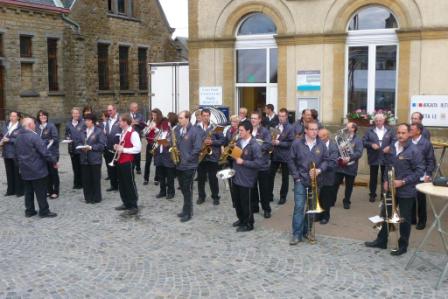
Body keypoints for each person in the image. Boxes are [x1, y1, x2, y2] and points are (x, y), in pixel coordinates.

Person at [365, 123, 425, 256]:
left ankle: (402, 245)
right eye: (398, 132)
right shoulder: (392, 147)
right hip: (391, 188)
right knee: (385, 214)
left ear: (409, 134)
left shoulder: (414, 151)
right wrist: (386, 180)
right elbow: (387, 165)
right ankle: (381, 240)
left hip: (406, 190)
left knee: (404, 218)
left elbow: (419, 171)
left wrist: (403, 181)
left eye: (403, 133)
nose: (400, 135)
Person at [288, 121, 329, 245]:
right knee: (299, 207)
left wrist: (319, 170)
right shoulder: (297, 143)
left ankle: (307, 231)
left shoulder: (321, 145)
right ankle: (296, 234)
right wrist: (297, 177)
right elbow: (290, 161)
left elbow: (327, 160)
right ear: (306, 130)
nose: (314, 132)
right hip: (301, 180)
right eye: (312, 129)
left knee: (311, 208)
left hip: (316, 181)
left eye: (316, 129)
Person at [15, 117, 57, 218]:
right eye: (34, 123)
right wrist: (54, 161)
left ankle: (29, 211)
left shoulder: (18, 137)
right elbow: (44, 152)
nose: (36, 125)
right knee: (41, 191)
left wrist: (20, 165)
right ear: (30, 125)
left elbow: (16, 155)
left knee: (28, 191)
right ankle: (44, 211)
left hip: (25, 169)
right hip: (37, 169)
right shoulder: (34, 137)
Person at [231, 121, 263, 232]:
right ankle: (241, 219)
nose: (239, 132)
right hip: (236, 176)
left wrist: (243, 162)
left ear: (248, 131)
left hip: (247, 179)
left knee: (246, 203)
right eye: (239, 130)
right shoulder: (239, 141)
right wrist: (231, 152)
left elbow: (259, 163)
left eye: (241, 130)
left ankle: (249, 223)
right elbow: (235, 158)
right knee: (237, 201)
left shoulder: (254, 145)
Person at [174, 111, 202, 222]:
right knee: (183, 188)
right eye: (179, 118)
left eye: (181, 118)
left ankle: (188, 212)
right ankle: (185, 209)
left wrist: (188, 158)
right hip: (179, 164)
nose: (179, 120)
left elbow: (197, 148)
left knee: (188, 188)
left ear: (187, 119)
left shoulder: (194, 131)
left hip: (189, 165)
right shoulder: (178, 130)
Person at [363, 113, 395, 202]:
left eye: (380, 120)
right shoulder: (369, 130)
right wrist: (371, 144)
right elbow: (364, 141)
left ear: (383, 121)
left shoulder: (390, 130)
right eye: (376, 121)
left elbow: (395, 141)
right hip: (374, 156)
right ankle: (372, 194)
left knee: (384, 177)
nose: (378, 122)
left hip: (386, 156)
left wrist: (390, 147)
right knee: (373, 176)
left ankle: (383, 194)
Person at [113, 113, 142, 216]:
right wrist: (117, 146)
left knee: (129, 183)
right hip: (120, 160)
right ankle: (126, 203)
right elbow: (122, 146)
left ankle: (133, 206)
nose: (119, 122)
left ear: (125, 122)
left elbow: (138, 148)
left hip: (128, 162)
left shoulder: (133, 133)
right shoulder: (122, 132)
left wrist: (123, 149)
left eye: (120, 121)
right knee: (122, 184)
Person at [196, 108, 224, 205]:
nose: (206, 117)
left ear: (210, 116)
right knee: (201, 178)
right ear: (201, 116)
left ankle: (215, 197)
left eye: (207, 115)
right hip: (201, 156)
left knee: (213, 178)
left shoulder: (216, 127)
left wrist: (212, 142)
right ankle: (201, 196)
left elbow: (222, 140)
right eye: (204, 116)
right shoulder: (196, 127)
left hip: (212, 157)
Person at [410, 123, 435, 230]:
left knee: (421, 199)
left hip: (421, 175)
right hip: (410, 174)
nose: (410, 131)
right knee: (410, 197)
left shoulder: (426, 143)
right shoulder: (408, 141)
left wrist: (428, 174)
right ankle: (412, 219)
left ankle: (422, 221)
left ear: (418, 131)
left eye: (412, 129)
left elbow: (431, 160)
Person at [77, 113, 106, 204]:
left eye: (88, 120)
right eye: (85, 120)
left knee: (95, 179)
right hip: (84, 159)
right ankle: (88, 197)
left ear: (93, 121)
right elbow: (78, 142)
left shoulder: (99, 131)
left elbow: (102, 146)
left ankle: (96, 197)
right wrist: (81, 147)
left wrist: (91, 147)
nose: (86, 122)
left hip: (95, 159)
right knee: (86, 179)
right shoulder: (83, 131)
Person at [333, 122, 363, 209]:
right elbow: (335, 149)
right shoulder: (341, 138)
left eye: (347, 127)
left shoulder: (358, 140)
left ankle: (346, 201)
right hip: (340, 166)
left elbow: (359, 153)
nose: (345, 128)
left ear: (353, 129)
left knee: (349, 186)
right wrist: (340, 154)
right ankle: (332, 200)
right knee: (335, 184)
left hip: (351, 166)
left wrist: (349, 158)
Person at [250, 111, 273, 218]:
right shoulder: (248, 131)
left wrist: (256, 149)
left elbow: (268, 144)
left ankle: (266, 209)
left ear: (259, 120)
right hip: (251, 165)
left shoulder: (264, 131)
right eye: (252, 118)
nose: (253, 120)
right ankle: (255, 206)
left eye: (255, 118)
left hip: (263, 164)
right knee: (253, 187)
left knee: (264, 188)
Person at [270, 108, 294, 205]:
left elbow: (291, 143)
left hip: (285, 156)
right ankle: (269, 195)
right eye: (279, 116)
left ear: (286, 116)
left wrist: (279, 143)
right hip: (275, 155)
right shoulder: (276, 125)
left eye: (283, 116)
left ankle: (283, 197)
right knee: (270, 176)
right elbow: (273, 137)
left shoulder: (290, 128)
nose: (281, 118)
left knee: (285, 178)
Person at [36, 110, 60, 199]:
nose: (42, 117)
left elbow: (55, 139)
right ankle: (49, 190)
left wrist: (43, 143)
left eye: (44, 115)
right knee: (46, 173)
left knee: (53, 173)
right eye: (40, 115)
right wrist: (45, 141)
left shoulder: (51, 126)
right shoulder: (38, 127)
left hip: (52, 153)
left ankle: (55, 191)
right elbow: (36, 139)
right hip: (42, 154)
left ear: (47, 116)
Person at [317, 128, 338, 224]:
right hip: (318, 175)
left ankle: (326, 216)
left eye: (321, 137)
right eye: (318, 136)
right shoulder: (317, 144)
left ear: (326, 136)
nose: (319, 138)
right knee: (319, 197)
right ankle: (319, 215)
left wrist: (321, 168)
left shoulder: (333, 146)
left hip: (328, 175)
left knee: (326, 198)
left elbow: (333, 162)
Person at [1, 111, 24, 197]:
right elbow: (1, 135)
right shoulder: (5, 126)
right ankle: (10, 190)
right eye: (11, 116)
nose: (12, 117)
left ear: (18, 117)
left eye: (14, 116)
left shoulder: (20, 127)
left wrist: (9, 140)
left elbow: (21, 140)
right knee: (9, 172)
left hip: (16, 153)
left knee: (17, 172)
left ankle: (19, 191)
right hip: (6, 152)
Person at [153, 115, 175, 200]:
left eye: (165, 123)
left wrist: (168, 144)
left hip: (168, 156)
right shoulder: (159, 132)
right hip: (159, 156)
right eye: (162, 124)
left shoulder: (171, 132)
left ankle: (171, 192)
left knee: (170, 176)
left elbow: (174, 144)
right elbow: (154, 140)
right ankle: (162, 191)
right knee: (161, 176)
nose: (163, 125)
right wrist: (155, 140)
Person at [143, 108, 166, 185]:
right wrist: (148, 129)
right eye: (152, 115)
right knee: (147, 162)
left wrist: (155, 128)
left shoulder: (161, 123)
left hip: (157, 144)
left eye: (155, 115)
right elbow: (145, 133)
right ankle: (146, 179)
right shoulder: (149, 121)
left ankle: (156, 179)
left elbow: (162, 133)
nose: (153, 117)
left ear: (158, 115)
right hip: (149, 143)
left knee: (157, 162)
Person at [65, 107, 84, 189]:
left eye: (77, 113)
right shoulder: (68, 124)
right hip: (72, 148)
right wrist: (67, 138)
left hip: (81, 149)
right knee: (75, 167)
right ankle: (76, 183)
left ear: (79, 114)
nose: (76, 115)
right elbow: (66, 134)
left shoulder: (83, 123)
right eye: (74, 113)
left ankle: (83, 183)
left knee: (82, 167)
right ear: (72, 114)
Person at [104, 104, 121, 192]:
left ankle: (120, 185)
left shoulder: (120, 119)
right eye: (108, 111)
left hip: (118, 148)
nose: (109, 112)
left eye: (110, 110)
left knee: (118, 168)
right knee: (110, 168)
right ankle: (113, 185)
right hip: (108, 147)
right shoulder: (108, 121)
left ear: (115, 110)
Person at [129, 102, 145, 174]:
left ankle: (138, 167)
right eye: (135, 107)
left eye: (137, 107)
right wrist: (130, 123)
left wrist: (137, 123)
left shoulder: (140, 116)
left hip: (137, 136)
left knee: (137, 152)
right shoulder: (127, 115)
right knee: (130, 151)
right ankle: (131, 166)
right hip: (129, 136)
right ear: (131, 108)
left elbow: (143, 125)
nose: (136, 108)